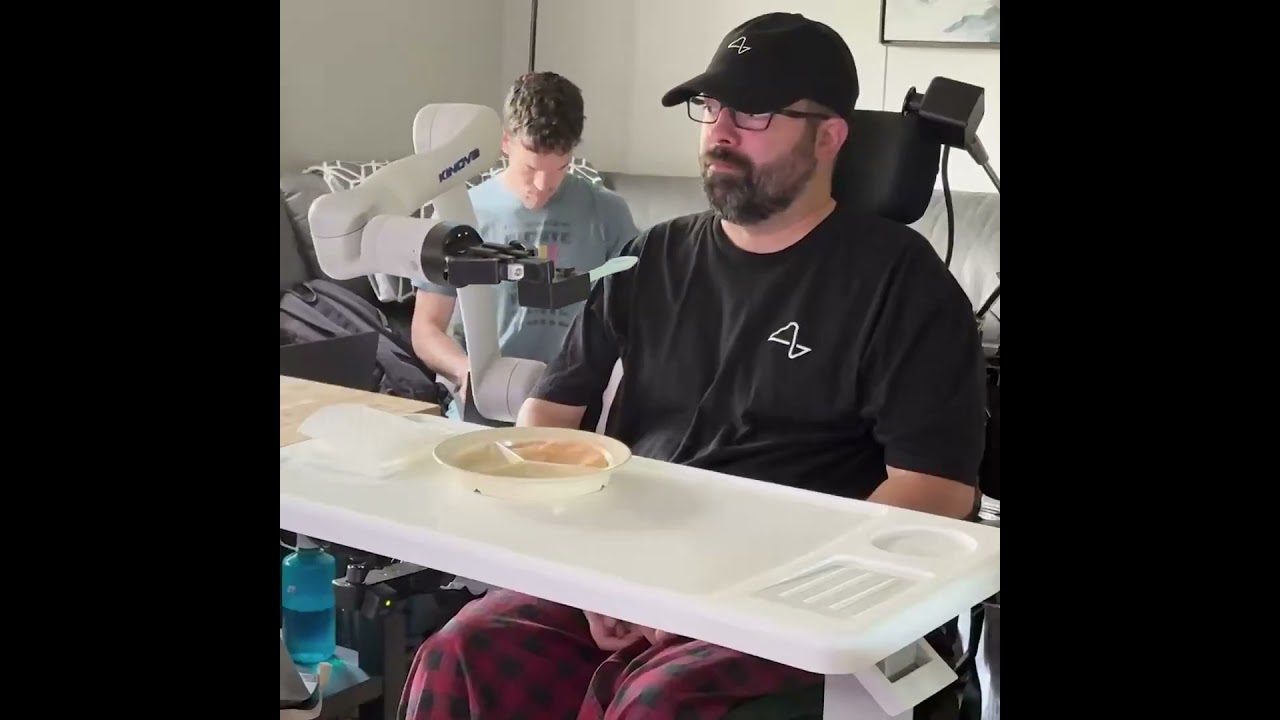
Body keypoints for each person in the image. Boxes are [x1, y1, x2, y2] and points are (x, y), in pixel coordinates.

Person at [399, 12, 987, 720]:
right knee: (460, 654)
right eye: (711, 108)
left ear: (829, 136)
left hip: (792, 595)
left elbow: (937, 492)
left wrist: (732, 595)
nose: (720, 132)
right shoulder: (649, 258)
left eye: (755, 111)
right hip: (627, 569)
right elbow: (549, 421)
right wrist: (591, 578)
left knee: (657, 703)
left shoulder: (901, 285)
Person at [410, 71, 639, 420]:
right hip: (485, 399)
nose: (544, 185)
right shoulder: (460, 214)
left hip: (572, 404)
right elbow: (426, 329)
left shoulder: (607, 212)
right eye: (531, 167)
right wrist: (464, 370)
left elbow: (637, 318)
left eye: (560, 167)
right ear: (505, 142)